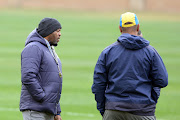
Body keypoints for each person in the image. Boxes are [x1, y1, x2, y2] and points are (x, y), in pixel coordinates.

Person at [91, 12, 168, 120]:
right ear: (138, 27)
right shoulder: (151, 52)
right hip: (143, 111)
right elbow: (162, 81)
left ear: (120, 28)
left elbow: (98, 85)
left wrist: (104, 110)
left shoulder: (108, 52)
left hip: (113, 111)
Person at [20, 17, 63, 120]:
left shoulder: (49, 49)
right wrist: (42, 97)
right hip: (35, 110)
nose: (60, 34)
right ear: (49, 32)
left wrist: (56, 111)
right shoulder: (34, 48)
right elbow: (28, 76)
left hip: (47, 109)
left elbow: (52, 83)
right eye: (57, 31)